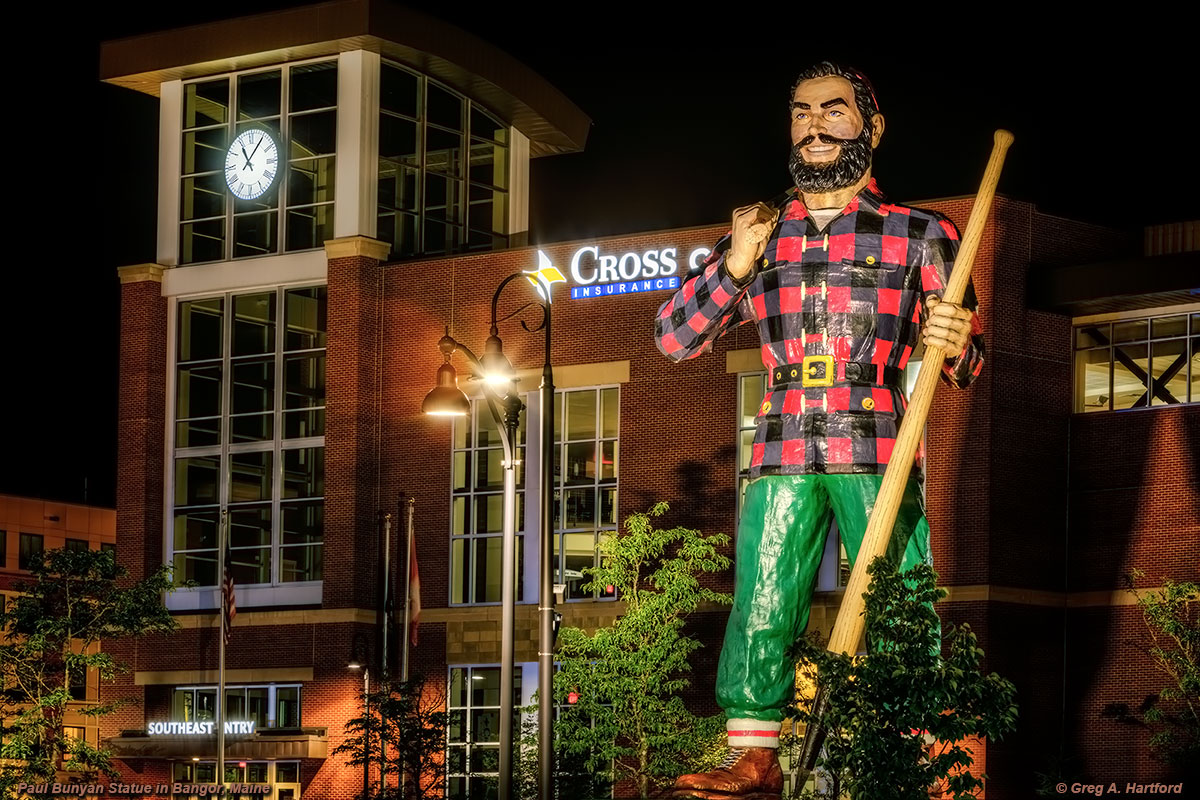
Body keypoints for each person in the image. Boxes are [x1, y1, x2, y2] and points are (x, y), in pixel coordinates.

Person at [654, 61, 985, 798]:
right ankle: (754, 755)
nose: (813, 126)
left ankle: (908, 747)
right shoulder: (761, 235)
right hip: (782, 436)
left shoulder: (922, 233)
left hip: (878, 438)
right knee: (763, 592)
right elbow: (674, 338)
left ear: (872, 126)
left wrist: (956, 338)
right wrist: (735, 265)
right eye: (801, 113)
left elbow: (967, 364)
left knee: (897, 593)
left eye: (833, 111)